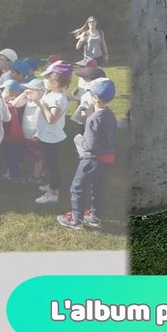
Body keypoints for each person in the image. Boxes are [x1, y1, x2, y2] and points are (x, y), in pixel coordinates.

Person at [57, 77, 118, 230]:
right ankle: (95, 217)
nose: (87, 94)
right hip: (107, 159)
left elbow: (89, 145)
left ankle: (75, 220)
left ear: (95, 98)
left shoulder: (93, 120)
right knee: (98, 188)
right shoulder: (110, 115)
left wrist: (79, 140)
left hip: (91, 160)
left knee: (77, 188)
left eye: (89, 92)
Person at [34, 61, 73, 205]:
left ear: (55, 82)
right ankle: (52, 185)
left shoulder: (57, 99)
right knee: (51, 164)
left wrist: (40, 103)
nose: (44, 80)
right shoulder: (52, 93)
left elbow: (51, 119)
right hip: (48, 136)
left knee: (52, 166)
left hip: (52, 139)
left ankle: (53, 193)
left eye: (46, 78)